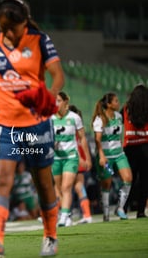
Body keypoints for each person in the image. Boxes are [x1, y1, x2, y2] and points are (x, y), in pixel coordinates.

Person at [0, 0, 64, 257]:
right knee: (2, 180)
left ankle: (50, 237)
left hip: (36, 124)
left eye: (12, 28)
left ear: (24, 22)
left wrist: (49, 96)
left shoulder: (39, 40)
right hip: (4, 123)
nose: (8, 33)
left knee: (44, 184)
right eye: (3, 28)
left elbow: (58, 74)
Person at [51, 92, 92, 227]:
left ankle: (63, 217)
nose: (56, 104)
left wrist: (87, 158)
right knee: (58, 188)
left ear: (65, 102)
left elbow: (82, 138)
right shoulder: (50, 119)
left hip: (71, 157)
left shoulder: (74, 118)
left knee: (66, 187)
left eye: (58, 101)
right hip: (56, 158)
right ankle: (66, 215)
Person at [91, 92, 132, 221]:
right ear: (108, 104)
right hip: (106, 157)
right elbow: (97, 140)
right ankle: (106, 213)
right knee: (106, 184)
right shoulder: (100, 119)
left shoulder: (119, 117)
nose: (118, 103)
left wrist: (120, 146)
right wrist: (102, 157)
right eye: (115, 101)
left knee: (128, 178)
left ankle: (120, 208)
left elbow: (119, 134)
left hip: (119, 155)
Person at [122, 84, 148, 218]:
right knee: (145, 180)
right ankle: (141, 211)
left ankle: (124, 208)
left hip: (130, 147)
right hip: (146, 147)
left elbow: (120, 122)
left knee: (129, 179)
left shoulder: (126, 108)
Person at [69, 104, 93, 224]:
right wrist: (86, 160)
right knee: (79, 187)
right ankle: (87, 214)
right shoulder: (80, 132)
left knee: (63, 189)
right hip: (79, 162)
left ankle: (64, 216)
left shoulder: (68, 130)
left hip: (70, 160)